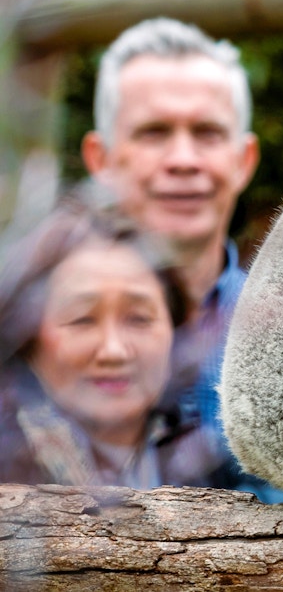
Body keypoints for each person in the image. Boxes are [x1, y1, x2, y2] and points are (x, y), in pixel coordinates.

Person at [80, 17, 283, 501]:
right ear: (101, 160)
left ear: (244, 159)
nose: (183, 159)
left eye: (207, 132)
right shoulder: (32, 339)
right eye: (154, 132)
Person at [0, 196, 223, 488]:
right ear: (29, 338)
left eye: (139, 318)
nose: (114, 351)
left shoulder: (220, 463)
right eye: (82, 319)